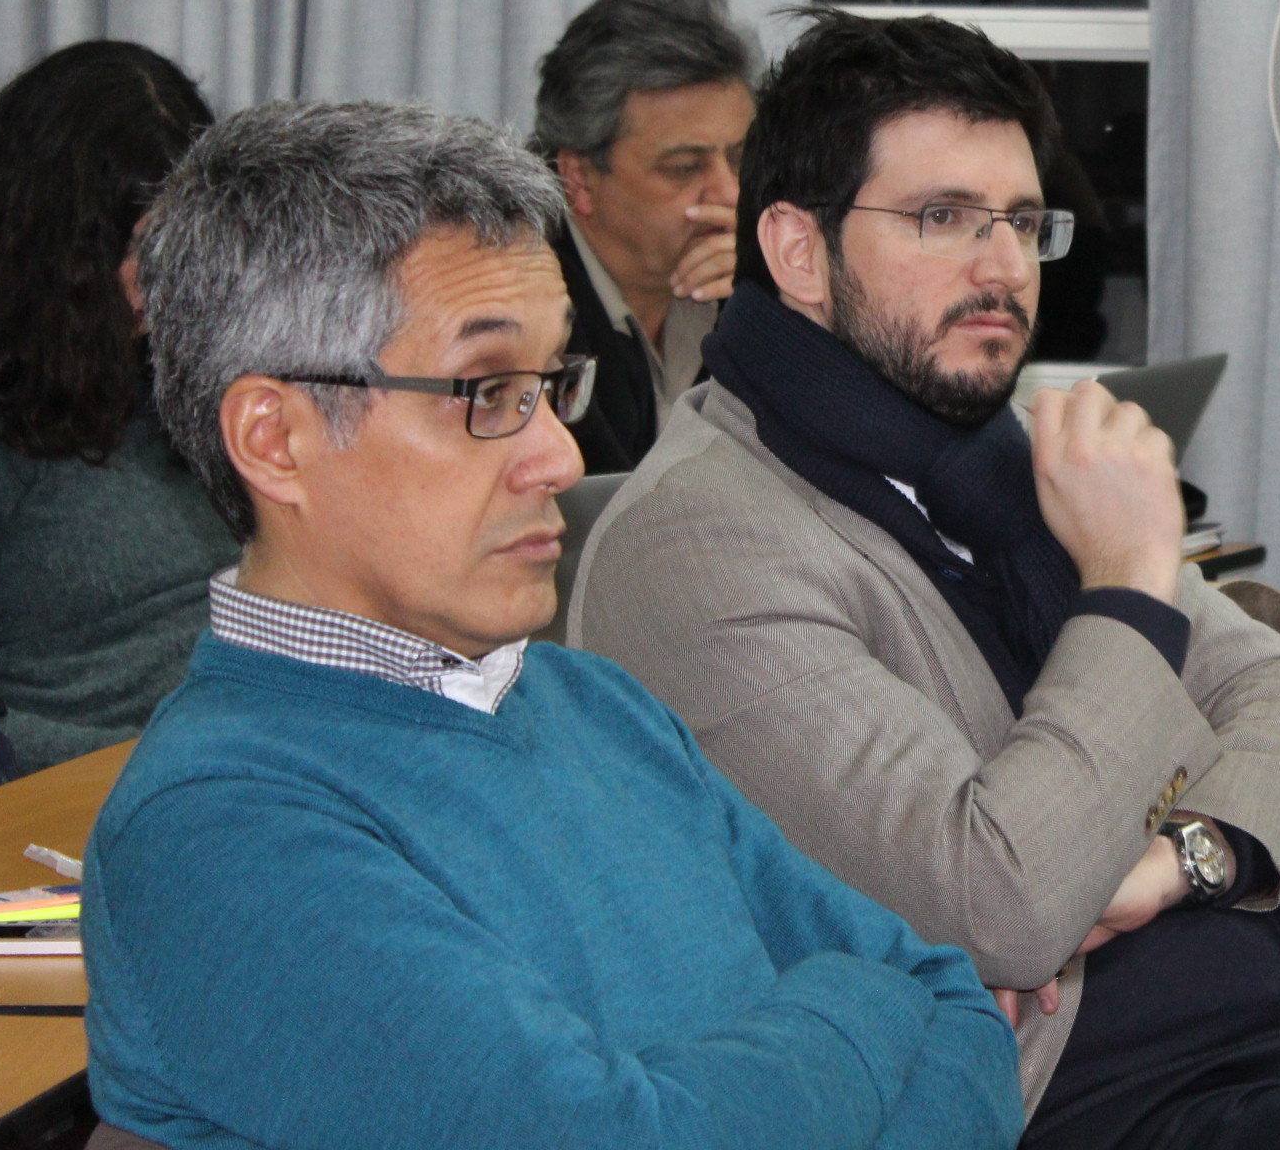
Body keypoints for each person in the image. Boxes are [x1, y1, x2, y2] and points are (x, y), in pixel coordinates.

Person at [84, 101, 1021, 1150]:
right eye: (487, 392)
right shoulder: (219, 828)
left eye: (553, 385)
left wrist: (829, 1033)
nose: (562, 460)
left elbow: (956, 1007)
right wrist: (859, 1003)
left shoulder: (595, 703)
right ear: (275, 440)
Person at [573, 11, 1280, 1150]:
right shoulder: (697, 543)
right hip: (1037, 1100)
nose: (1004, 269)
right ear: (797, 251)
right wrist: (1128, 584)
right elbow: (1003, 904)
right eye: (942, 217)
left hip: (1225, 1033)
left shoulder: (996, 465)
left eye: (1023, 223)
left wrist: (1177, 862)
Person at [0, 41, 234, 772]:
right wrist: (172, 760)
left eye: (180, 246)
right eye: (134, 248)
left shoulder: (212, 381)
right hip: (87, 805)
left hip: (237, 769)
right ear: (50, 249)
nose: (157, 282)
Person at [532, 0, 758, 473]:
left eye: (740, 160)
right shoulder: (524, 305)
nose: (729, 193)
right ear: (579, 180)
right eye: (683, 168)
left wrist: (770, 310)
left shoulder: (755, 284)